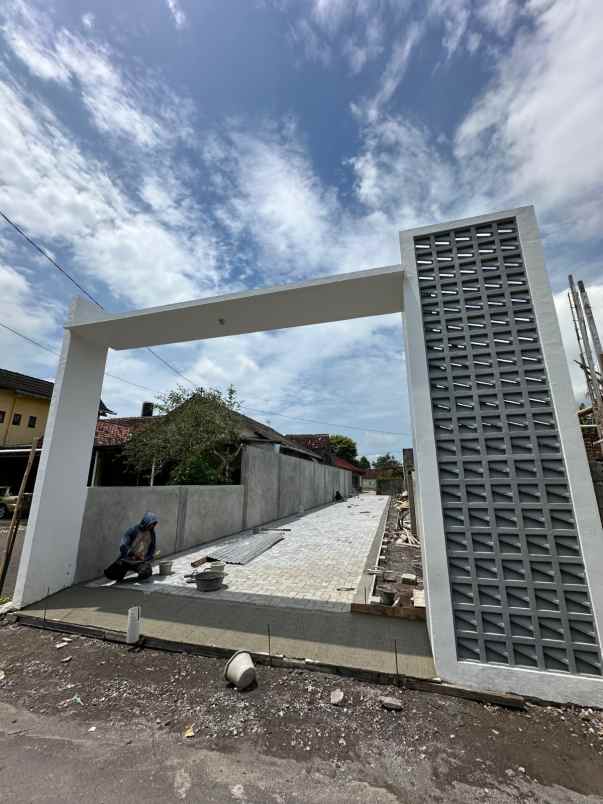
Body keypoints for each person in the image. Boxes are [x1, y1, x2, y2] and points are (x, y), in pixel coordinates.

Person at [104, 512, 159, 582]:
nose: (152, 526)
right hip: (127, 560)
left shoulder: (152, 533)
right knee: (111, 573)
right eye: (151, 524)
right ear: (145, 522)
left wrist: (147, 558)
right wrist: (132, 554)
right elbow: (123, 545)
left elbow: (152, 548)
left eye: (153, 524)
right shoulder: (133, 530)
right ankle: (120, 574)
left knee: (146, 572)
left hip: (139, 561)